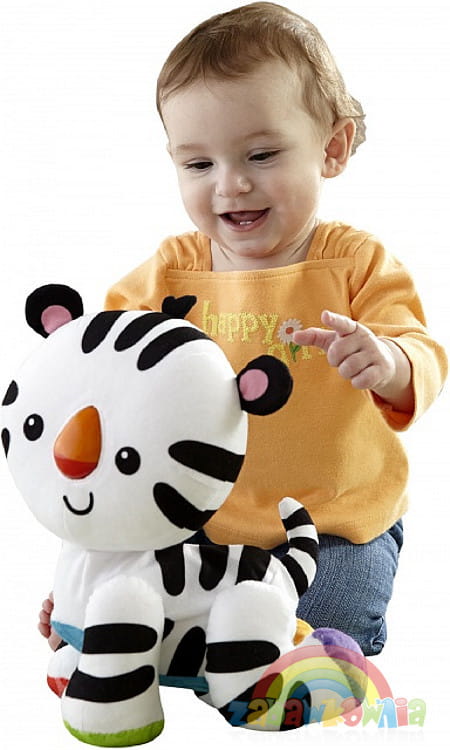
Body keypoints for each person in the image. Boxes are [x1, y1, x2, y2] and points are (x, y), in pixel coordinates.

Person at [39, 2, 447, 656]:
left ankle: (257, 652)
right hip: (193, 518)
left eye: (260, 154)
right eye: (198, 165)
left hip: (331, 527)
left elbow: (421, 353)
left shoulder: (356, 264)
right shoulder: (170, 272)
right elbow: (105, 366)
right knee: (120, 572)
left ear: (332, 148)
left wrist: (389, 362)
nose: (230, 185)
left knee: (324, 619)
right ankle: (107, 623)